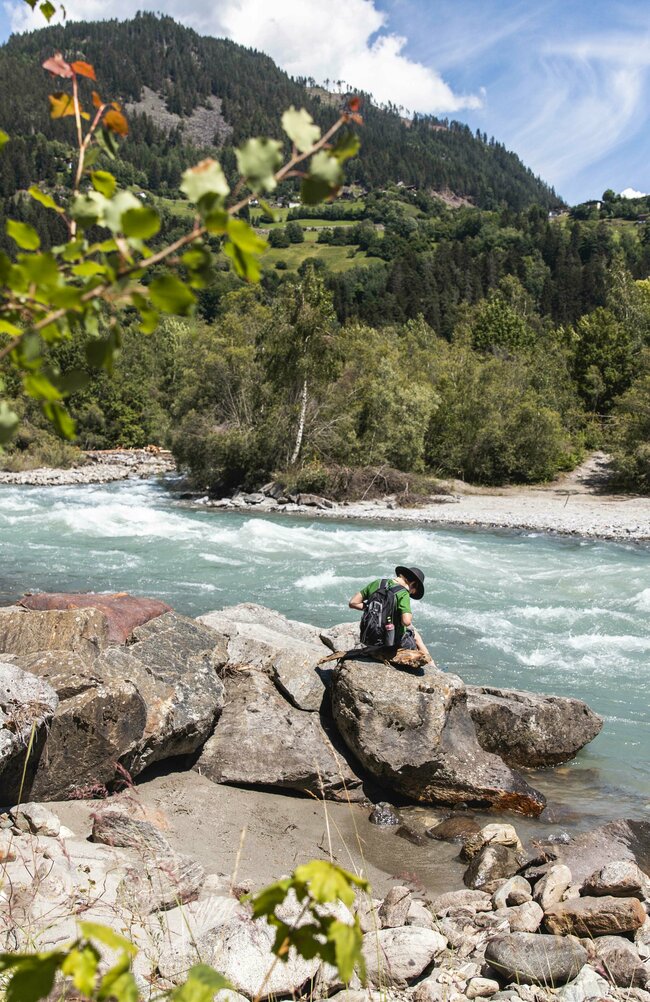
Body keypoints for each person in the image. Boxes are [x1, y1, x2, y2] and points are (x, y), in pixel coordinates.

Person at [348, 565, 433, 661]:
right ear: (413, 584)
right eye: (413, 592)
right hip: (390, 642)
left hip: (370, 638)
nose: (411, 594)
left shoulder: (378, 583)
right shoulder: (403, 593)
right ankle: (432, 666)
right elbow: (406, 621)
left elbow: (353, 603)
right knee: (415, 635)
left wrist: (372, 608)